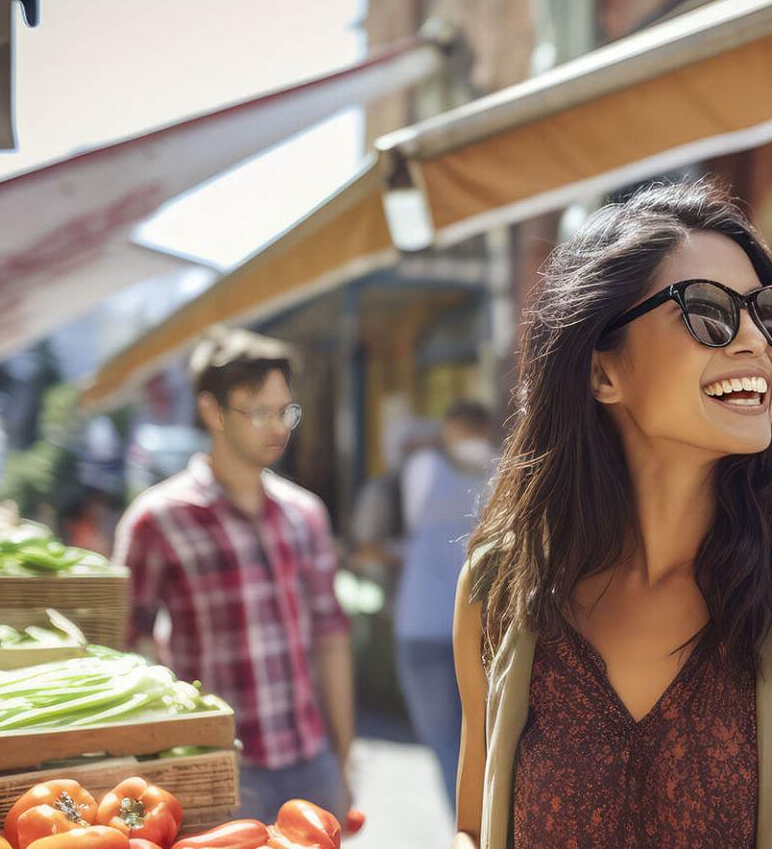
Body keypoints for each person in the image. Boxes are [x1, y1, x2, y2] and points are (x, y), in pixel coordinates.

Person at [451, 179, 772, 848]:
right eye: (708, 312)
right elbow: (476, 828)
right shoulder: (500, 587)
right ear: (601, 373)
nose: (755, 343)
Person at [112, 329, 355, 823]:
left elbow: (330, 638)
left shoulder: (305, 513)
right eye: (259, 411)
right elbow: (123, 648)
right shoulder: (157, 519)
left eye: (286, 410)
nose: (278, 428)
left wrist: (344, 758)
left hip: (312, 761)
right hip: (215, 769)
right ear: (211, 412)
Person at [393, 401, 496, 808]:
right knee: (488, 741)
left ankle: (465, 827)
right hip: (486, 622)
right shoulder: (505, 468)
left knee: (443, 742)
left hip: (422, 621)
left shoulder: (424, 468)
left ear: (450, 429)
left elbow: (414, 520)